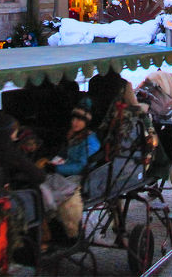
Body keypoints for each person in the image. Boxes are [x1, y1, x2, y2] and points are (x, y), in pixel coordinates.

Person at [40, 97, 101, 241]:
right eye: (74, 119)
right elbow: (65, 154)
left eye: (79, 120)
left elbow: (81, 165)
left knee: (53, 190)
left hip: (80, 176)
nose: (75, 123)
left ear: (86, 122)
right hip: (66, 170)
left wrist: (57, 169)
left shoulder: (89, 141)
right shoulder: (73, 135)